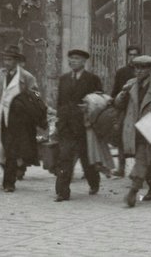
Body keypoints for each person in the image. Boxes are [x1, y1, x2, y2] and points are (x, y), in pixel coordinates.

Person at [115, 55, 151, 207]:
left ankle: (133, 192)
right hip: (133, 127)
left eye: (143, 68)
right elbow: (118, 104)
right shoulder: (130, 84)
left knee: (142, 158)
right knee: (147, 161)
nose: (139, 71)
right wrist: (122, 94)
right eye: (136, 68)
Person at [0, 45, 41, 193]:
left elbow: (37, 94)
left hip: (18, 118)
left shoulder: (26, 77)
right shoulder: (1, 74)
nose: (6, 62)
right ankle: (15, 169)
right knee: (0, 146)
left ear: (16, 61)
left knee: (11, 149)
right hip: (2, 115)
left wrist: (31, 99)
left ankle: (9, 183)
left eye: (9, 59)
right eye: (5, 59)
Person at [54, 49, 104, 202]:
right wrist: (58, 119)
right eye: (70, 58)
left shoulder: (92, 79)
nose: (72, 61)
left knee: (86, 158)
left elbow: (100, 100)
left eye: (76, 58)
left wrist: (89, 107)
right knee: (64, 157)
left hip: (84, 125)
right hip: (66, 125)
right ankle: (62, 192)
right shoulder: (63, 79)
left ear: (84, 61)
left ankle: (94, 183)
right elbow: (60, 101)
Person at [110, 45, 141, 178]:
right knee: (122, 138)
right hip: (124, 109)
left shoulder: (144, 71)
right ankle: (121, 168)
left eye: (135, 54)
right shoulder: (122, 72)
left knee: (140, 139)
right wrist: (113, 102)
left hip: (139, 110)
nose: (133, 57)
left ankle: (137, 168)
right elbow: (115, 90)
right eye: (130, 54)